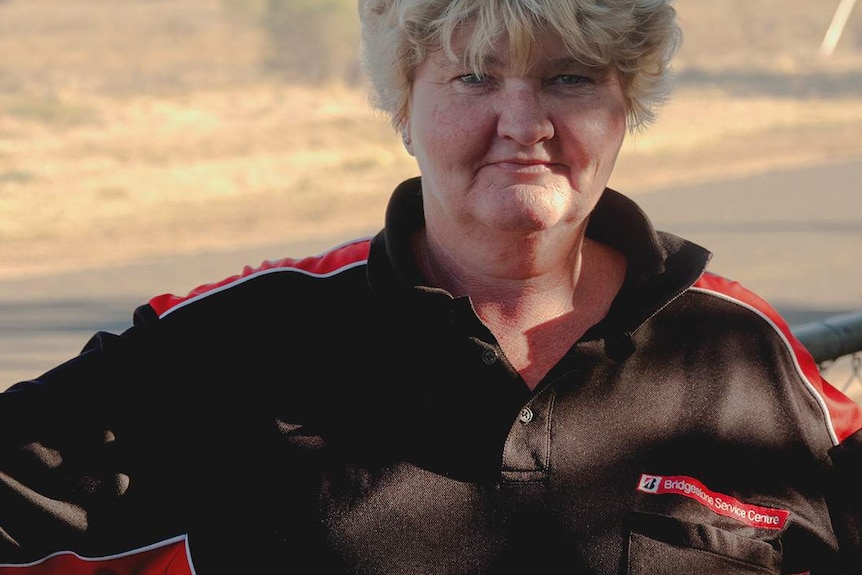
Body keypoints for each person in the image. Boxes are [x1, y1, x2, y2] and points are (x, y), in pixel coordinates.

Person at [1, 0, 861, 573]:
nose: (524, 124)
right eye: (475, 75)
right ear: (401, 107)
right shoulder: (234, 346)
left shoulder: (749, 353)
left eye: (571, 77)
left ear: (625, 104)